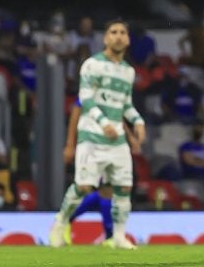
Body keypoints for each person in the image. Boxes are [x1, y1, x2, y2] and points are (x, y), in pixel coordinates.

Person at [49, 20, 146, 250]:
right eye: (113, 32)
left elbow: (125, 104)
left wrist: (138, 122)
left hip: (117, 139)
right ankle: (60, 222)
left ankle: (119, 236)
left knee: (123, 187)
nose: (119, 36)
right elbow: (86, 100)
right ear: (105, 38)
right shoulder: (92, 65)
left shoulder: (128, 72)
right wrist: (103, 124)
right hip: (92, 135)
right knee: (83, 186)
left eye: (123, 32)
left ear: (128, 39)